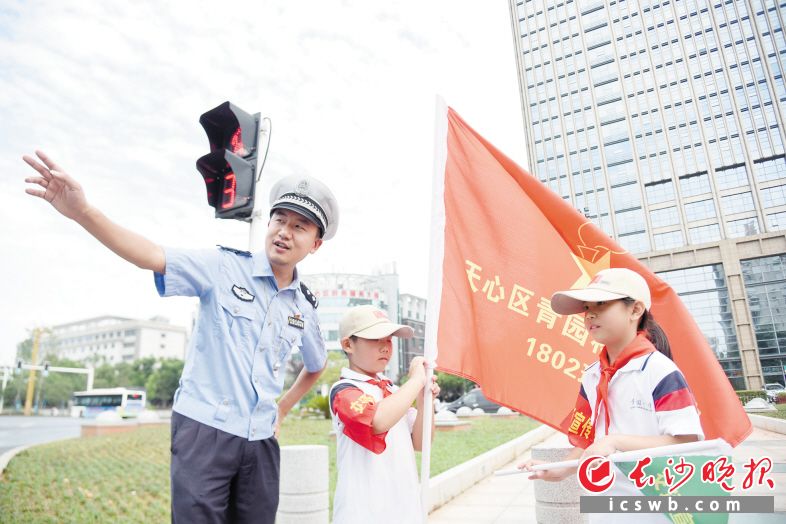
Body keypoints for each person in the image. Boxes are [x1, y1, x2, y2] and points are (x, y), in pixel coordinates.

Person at [23, 150, 338, 523]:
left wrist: (282, 409)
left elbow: (317, 365)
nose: (284, 232)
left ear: (316, 243)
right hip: (205, 433)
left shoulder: (304, 307)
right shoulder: (222, 267)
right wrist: (83, 212)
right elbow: (151, 255)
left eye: (300, 226)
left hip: (261, 444)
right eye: (279, 220)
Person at [519, 268, 703, 517]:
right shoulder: (592, 374)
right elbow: (588, 438)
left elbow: (687, 442)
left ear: (635, 310)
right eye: (586, 306)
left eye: (602, 303)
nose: (589, 314)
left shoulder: (660, 371)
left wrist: (616, 441)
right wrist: (561, 469)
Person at [329, 305, 439, 524]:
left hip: (403, 510)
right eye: (375, 339)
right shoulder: (343, 390)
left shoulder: (393, 390)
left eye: (388, 339)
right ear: (348, 344)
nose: (385, 347)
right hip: (363, 513)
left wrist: (424, 397)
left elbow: (421, 442)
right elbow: (377, 421)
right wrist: (416, 381)